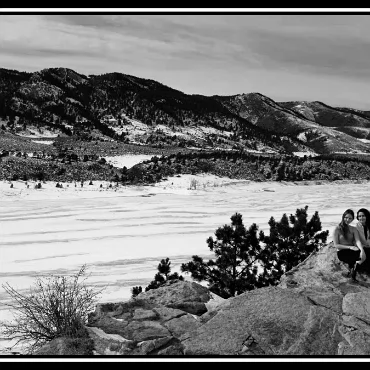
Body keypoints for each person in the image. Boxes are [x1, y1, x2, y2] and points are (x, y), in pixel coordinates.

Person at [333, 209, 366, 282]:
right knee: (356, 258)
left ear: (352, 219)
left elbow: (357, 241)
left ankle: (353, 271)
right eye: (346, 217)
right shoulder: (337, 229)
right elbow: (336, 245)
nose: (347, 220)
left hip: (352, 250)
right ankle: (353, 271)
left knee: (364, 255)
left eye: (350, 218)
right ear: (343, 217)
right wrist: (350, 247)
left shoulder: (354, 229)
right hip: (342, 252)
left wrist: (362, 250)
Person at [355, 208, 370, 273]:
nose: (361, 218)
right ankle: (355, 269)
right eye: (359, 216)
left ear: (367, 216)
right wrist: (362, 248)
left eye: (363, 216)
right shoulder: (357, 227)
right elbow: (357, 240)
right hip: (364, 247)